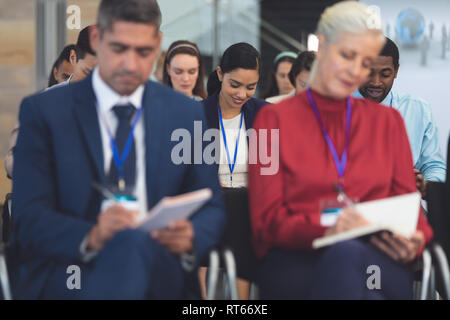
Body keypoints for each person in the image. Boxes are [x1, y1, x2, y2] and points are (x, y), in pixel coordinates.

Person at [9, 0, 225, 299]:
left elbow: (212, 206)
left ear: (158, 45)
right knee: (129, 245)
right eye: (119, 49)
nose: (130, 64)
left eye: (143, 52)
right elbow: (28, 217)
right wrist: (93, 235)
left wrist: (191, 237)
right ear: (97, 40)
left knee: (135, 245)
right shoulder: (45, 113)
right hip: (73, 268)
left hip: (159, 268)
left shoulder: (184, 114)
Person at [249, 1, 433, 300]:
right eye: (347, 55)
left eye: (364, 62)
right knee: (346, 259)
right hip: (301, 260)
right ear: (321, 46)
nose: (354, 72)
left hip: (377, 261)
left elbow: (411, 209)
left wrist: (417, 239)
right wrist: (328, 228)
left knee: (353, 262)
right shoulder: (269, 121)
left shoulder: (389, 122)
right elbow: (265, 226)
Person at [200, 42, 267, 300]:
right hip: (209, 204)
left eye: (251, 87)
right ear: (219, 75)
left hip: (251, 207)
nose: (242, 94)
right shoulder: (197, 114)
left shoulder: (265, 114)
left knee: (240, 211)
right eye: (235, 85)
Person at [4, 25, 99, 179]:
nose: (93, 83)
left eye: (101, 77)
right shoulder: (41, 105)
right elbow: (13, 162)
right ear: (73, 58)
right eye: (87, 72)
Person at [357, 37, 446, 198]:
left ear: (396, 71)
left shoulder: (418, 109)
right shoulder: (337, 110)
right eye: (369, 73)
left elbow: (434, 166)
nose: (376, 83)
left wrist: (424, 186)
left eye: (385, 74)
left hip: (403, 207)